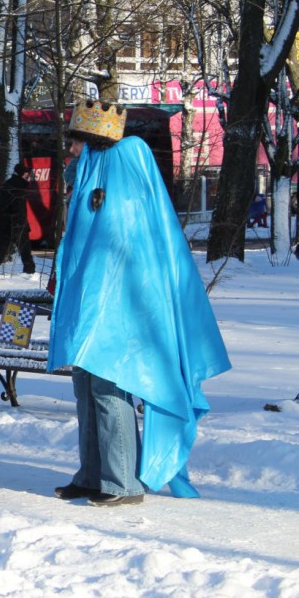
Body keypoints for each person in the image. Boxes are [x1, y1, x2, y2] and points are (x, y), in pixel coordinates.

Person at [49, 100, 231, 507]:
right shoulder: (89, 178)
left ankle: (122, 482)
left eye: (77, 143)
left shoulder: (127, 163)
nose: (71, 152)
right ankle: (92, 475)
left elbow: (125, 247)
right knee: (87, 387)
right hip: (90, 302)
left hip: (121, 308)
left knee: (111, 386)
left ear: (94, 142)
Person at [0, 162, 36, 275]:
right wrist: (22, 224)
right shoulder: (18, 187)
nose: (28, 178)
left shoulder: (10, 184)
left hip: (6, 224)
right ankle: (30, 271)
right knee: (25, 250)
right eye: (26, 175)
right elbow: (19, 209)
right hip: (16, 223)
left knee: (0, 250)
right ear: (22, 175)